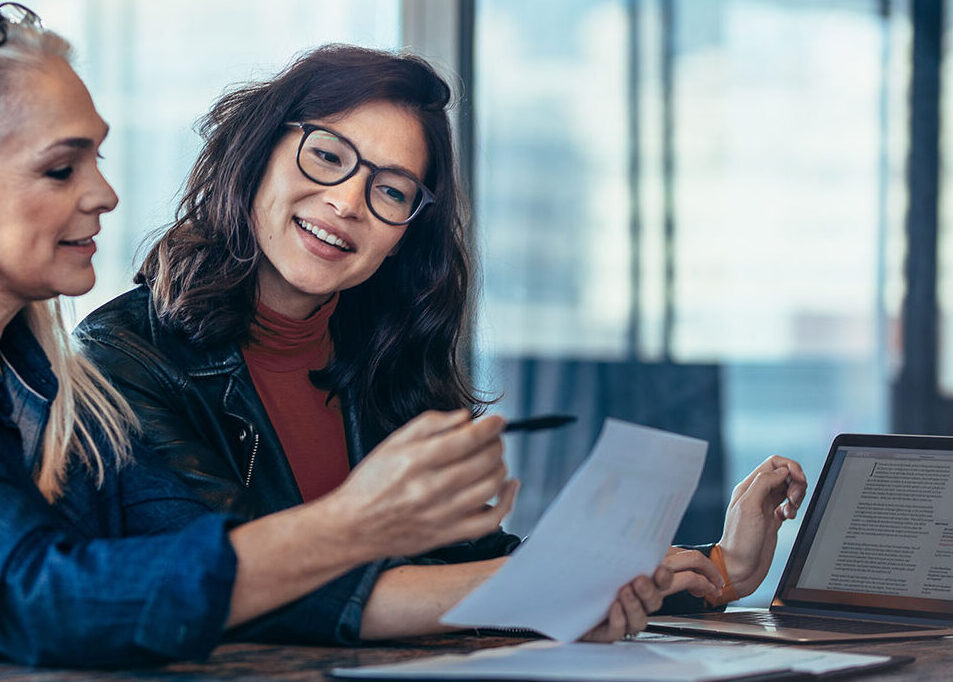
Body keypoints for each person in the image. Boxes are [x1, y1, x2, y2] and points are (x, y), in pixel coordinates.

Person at [0, 6, 633, 679]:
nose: (104, 195)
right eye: (61, 168)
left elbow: (224, 572)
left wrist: (571, 590)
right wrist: (357, 520)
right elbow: (43, 599)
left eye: (95, 158)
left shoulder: (53, 387)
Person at [77, 43, 809, 637]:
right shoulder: (121, 359)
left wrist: (717, 569)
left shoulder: (386, 361)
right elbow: (239, 586)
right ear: (257, 153)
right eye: (327, 156)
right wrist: (542, 590)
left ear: (404, 236)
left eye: (390, 191)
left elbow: (470, 567)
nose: (346, 202)